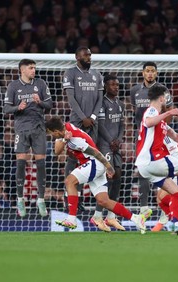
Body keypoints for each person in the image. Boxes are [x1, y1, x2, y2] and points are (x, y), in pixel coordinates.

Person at [45, 116, 146, 232]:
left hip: (95, 163)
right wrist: (64, 140)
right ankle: (137, 218)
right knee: (104, 201)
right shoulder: (65, 129)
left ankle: (71, 219)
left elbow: (95, 152)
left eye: (51, 134)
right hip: (93, 165)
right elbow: (57, 151)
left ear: (56, 132)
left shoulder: (75, 139)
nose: (52, 136)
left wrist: (109, 167)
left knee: (69, 181)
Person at [134, 84, 178, 237]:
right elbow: (149, 122)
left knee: (175, 192)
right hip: (152, 159)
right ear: (162, 98)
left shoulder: (162, 123)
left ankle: (177, 223)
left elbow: (177, 137)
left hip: (145, 166)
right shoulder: (151, 110)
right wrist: (170, 112)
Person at [3, 58, 53, 217]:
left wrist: (40, 103)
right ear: (22, 70)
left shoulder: (41, 83)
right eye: (31, 68)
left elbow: (50, 105)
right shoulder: (13, 86)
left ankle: (41, 199)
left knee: (41, 164)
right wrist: (18, 107)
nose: (34, 70)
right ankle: (20, 198)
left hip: (39, 128)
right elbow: (5, 108)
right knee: (20, 163)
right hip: (22, 129)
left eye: (34, 67)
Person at [62, 46, 103, 211]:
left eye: (90, 54)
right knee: (73, 158)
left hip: (93, 123)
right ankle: (70, 198)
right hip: (76, 122)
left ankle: (85, 197)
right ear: (77, 57)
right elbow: (71, 99)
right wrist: (82, 118)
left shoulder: (97, 74)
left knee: (90, 159)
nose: (89, 57)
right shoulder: (70, 73)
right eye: (86, 55)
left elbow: (100, 98)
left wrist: (92, 117)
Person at [90, 74, 127, 232]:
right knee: (109, 177)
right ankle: (98, 215)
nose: (116, 87)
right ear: (105, 86)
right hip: (105, 145)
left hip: (115, 145)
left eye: (117, 85)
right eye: (112, 85)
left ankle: (111, 216)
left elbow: (122, 125)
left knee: (118, 175)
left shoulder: (120, 104)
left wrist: (118, 140)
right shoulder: (102, 103)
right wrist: (111, 141)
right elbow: (101, 125)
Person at [130, 62, 166, 216]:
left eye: (153, 71)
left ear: (156, 73)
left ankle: (166, 207)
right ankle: (144, 207)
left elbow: (168, 110)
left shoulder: (162, 90)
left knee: (163, 168)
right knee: (142, 169)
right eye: (147, 71)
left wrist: (163, 130)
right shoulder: (135, 90)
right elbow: (134, 112)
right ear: (143, 73)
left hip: (158, 135)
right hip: (142, 137)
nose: (150, 74)